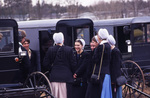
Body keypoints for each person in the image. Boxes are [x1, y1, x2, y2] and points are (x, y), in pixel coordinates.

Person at [43, 32, 76, 98]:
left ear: (54, 40)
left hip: (54, 77)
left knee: (55, 95)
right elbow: (73, 64)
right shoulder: (69, 49)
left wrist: (51, 69)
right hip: (67, 77)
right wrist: (72, 72)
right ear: (63, 40)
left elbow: (45, 64)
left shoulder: (50, 49)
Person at [86, 28, 112, 98]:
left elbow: (95, 59)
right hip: (106, 73)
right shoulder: (108, 45)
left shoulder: (101, 47)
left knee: (98, 93)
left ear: (100, 37)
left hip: (100, 74)